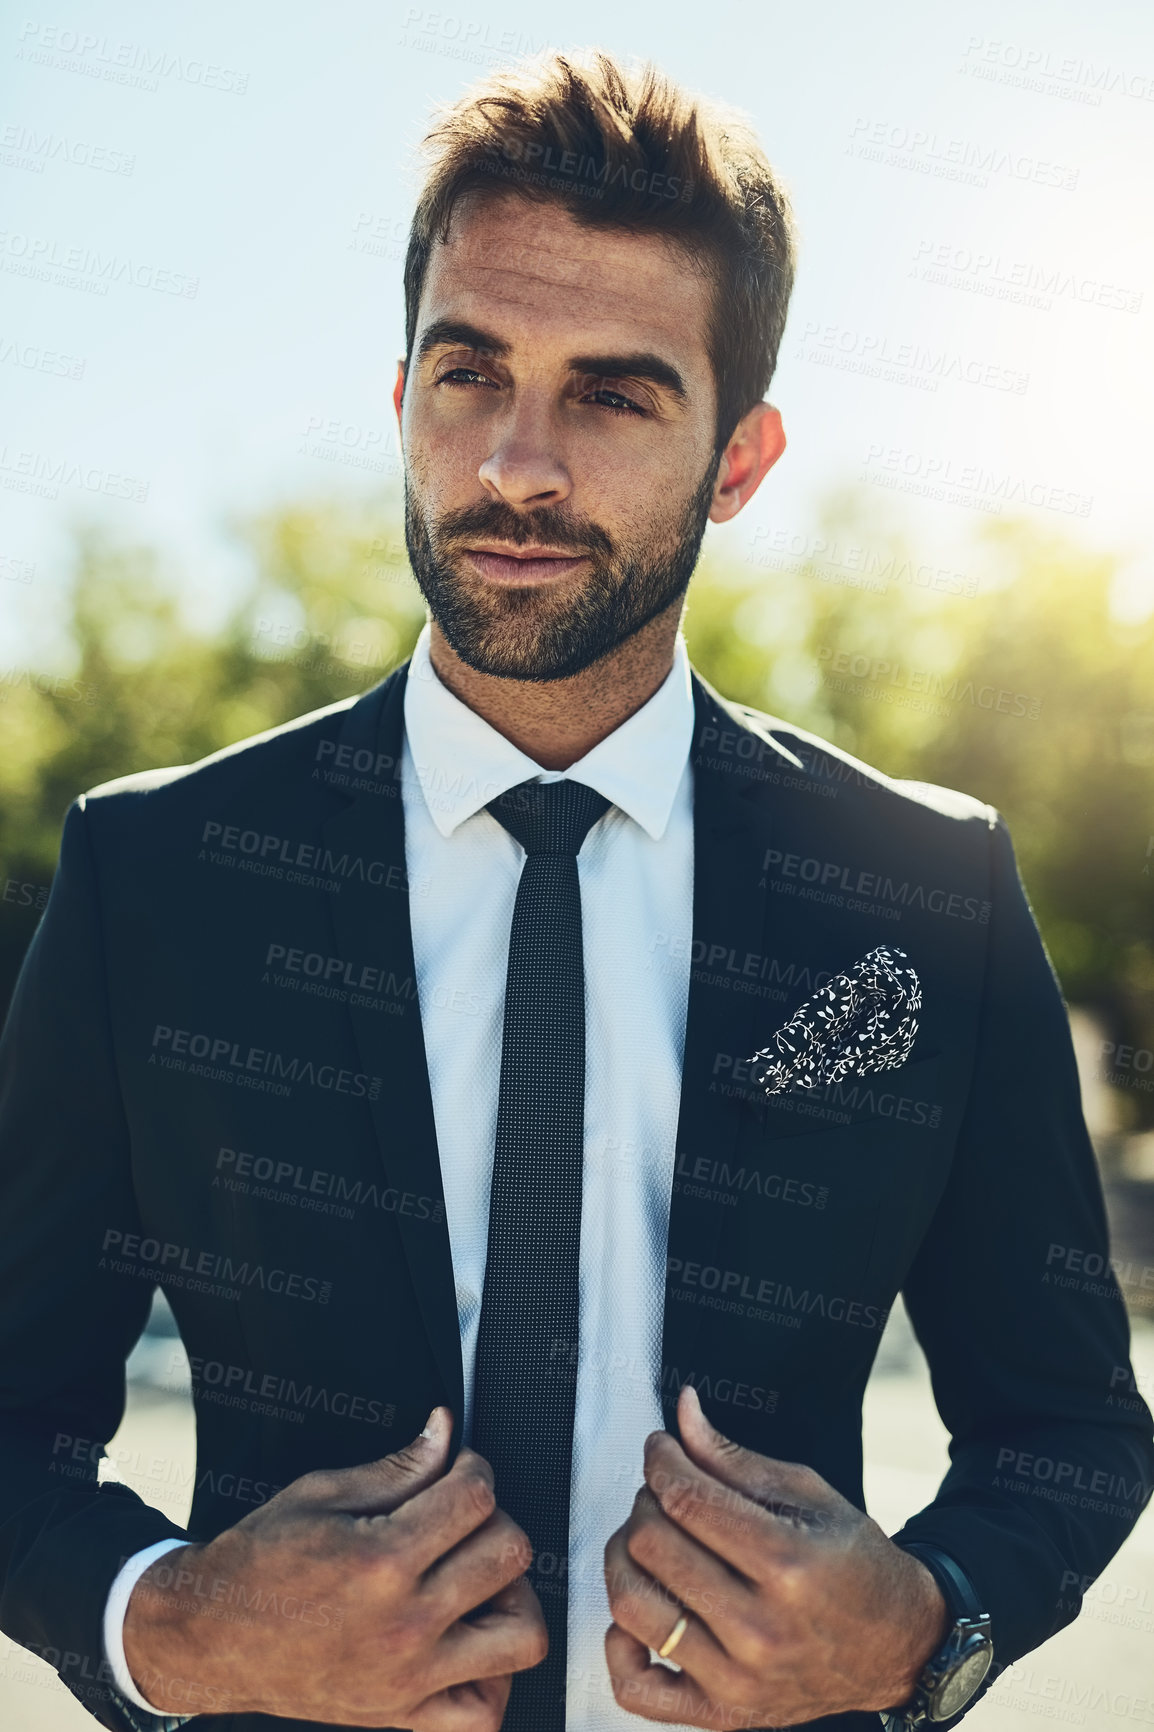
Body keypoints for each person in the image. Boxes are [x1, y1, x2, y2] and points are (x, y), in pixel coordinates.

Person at [0, 46, 1150, 1732]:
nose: (518, 466)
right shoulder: (151, 875)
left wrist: (924, 1625)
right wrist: (164, 1627)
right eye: (470, 376)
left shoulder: (924, 886)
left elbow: (1064, 1427)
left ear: (739, 461)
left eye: (613, 396)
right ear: (400, 399)